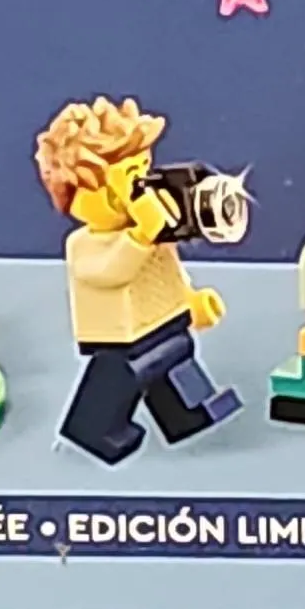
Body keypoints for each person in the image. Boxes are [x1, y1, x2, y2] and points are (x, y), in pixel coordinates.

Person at [34, 95, 241, 464]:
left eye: (142, 172)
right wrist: (141, 236)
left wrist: (190, 301)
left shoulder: (152, 233)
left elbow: (167, 271)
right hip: (120, 338)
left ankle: (188, 413)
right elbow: (111, 273)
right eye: (128, 181)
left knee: (177, 356)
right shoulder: (85, 243)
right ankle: (95, 431)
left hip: (165, 319)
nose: (141, 190)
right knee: (121, 380)